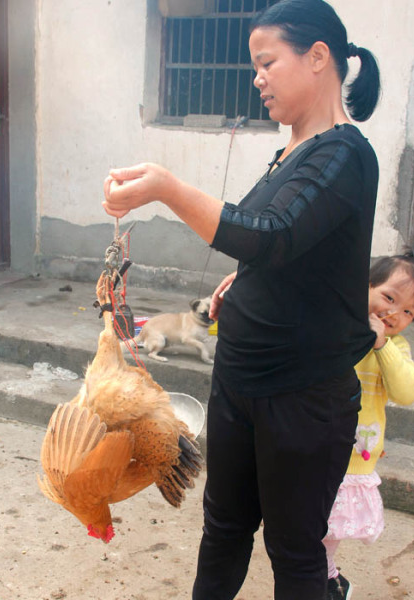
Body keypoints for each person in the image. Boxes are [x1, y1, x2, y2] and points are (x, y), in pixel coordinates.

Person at [102, 1, 381, 598]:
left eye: (266, 62)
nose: (257, 78)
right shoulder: (288, 154)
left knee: (294, 551)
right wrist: (244, 277)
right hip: (239, 379)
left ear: (318, 57)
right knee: (223, 528)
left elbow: (273, 235)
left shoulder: (345, 154)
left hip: (303, 394)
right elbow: (272, 237)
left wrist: (167, 188)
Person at [324, 248, 414, 600]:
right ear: (364, 287)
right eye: (388, 297)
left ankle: (328, 576)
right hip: (314, 442)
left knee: (329, 527)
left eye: (407, 312)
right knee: (305, 520)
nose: (393, 313)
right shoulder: (337, 324)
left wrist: (382, 346)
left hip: (354, 457)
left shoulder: (395, 348)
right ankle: (321, 574)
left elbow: (407, 392)